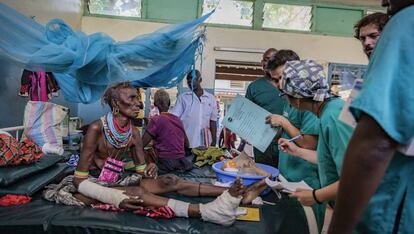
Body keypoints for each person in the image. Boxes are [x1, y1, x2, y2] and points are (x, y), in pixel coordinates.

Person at [44, 82, 259, 226]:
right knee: (137, 193)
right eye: (132, 98)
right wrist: (112, 197)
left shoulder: (134, 132)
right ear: (116, 103)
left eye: (138, 98)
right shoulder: (95, 129)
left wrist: (150, 168)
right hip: (89, 187)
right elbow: (79, 180)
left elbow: (140, 171)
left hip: (116, 180)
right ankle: (208, 211)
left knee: (170, 180)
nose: (138, 103)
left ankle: (237, 193)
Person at [329, 1, 414, 233]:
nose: (367, 43)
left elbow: (372, 149)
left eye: (374, 36)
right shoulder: (366, 83)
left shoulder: (406, 23)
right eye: (362, 39)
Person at [276, 60, 354, 232]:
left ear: (295, 100)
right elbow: (330, 159)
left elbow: (354, 178)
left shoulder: (332, 117)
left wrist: (315, 196)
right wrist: (298, 151)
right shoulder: (331, 109)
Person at [265, 50, 324, 230]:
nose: (278, 85)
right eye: (274, 80)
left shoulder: (310, 103)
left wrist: (283, 121)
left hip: (306, 181)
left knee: (306, 227)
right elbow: (289, 136)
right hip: (287, 178)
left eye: (281, 78)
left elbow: (309, 144)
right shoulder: (288, 101)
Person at [245, 48, 283, 167]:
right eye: (265, 60)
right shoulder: (254, 87)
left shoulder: (288, 86)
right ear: (262, 62)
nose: (268, 63)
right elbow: (246, 115)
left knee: (285, 178)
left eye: (272, 60)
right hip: (262, 143)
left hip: (286, 140)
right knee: (264, 177)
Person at [142, 89, 192, 174]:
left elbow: (141, 144)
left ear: (154, 105)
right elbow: (187, 144)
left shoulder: (156, 120)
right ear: (169, 103)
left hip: (166, 163)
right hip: (182, 162)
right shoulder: (177, 120)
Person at [171, 70, 218, 149]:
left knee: (203, 161)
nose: (190, 81)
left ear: (200, 80)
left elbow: (213, 121)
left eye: (193, 79)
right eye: (188, 79)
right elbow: (175, 120)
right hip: (187, 143)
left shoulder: (211, 98)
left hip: (205, 143)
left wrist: (213, 142)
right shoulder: (183, 98)